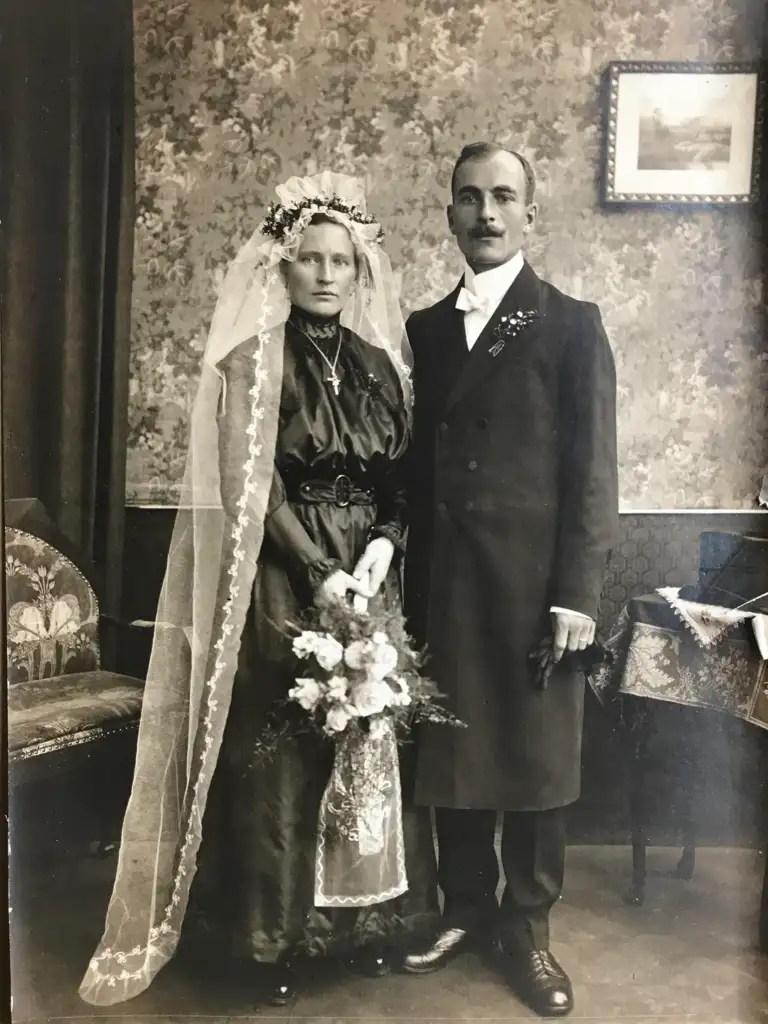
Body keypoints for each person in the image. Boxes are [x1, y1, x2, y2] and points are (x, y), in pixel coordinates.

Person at [78, 172, 438, 1010]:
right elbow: (254, 488)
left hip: (370, 571)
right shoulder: (251, 366)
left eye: (338, 262)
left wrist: (386, 543)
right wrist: (320, 572)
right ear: (281, 267)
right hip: (281, 569)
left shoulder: (382, 367)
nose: (323, 274)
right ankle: (270, 936)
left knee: (369, 737)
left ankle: (366, 926)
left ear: (358, 272)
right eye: (307, 259)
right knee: (283, 738)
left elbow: (402, 480)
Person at [402, 143, 619, 1018]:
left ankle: (527, 928)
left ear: (531, 213)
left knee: (533, 757)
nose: (485, 215)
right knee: (452, 746)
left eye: (502, 198)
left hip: (535, 590)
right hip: (446, 584)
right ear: (449, 213)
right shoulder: (423, 327)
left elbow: (593, 474)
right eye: (468, 199)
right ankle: (463, 906)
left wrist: (578, 593)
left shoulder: (569, 323)